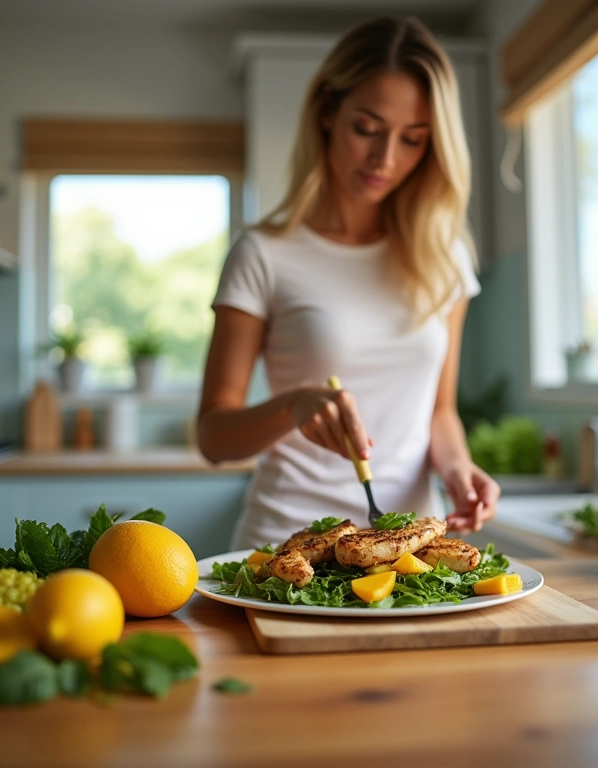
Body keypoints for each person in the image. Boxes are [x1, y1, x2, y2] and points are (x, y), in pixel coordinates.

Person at [197, 16, 500, 549]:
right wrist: (291, 406)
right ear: (327, 113)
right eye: (367, 129)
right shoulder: (262, 253)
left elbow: (439, 411)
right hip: (286, 547)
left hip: (405, 548)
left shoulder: (443, 256)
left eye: (412, 140)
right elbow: (213, 437)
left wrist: (457, 468)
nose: (386, 159)